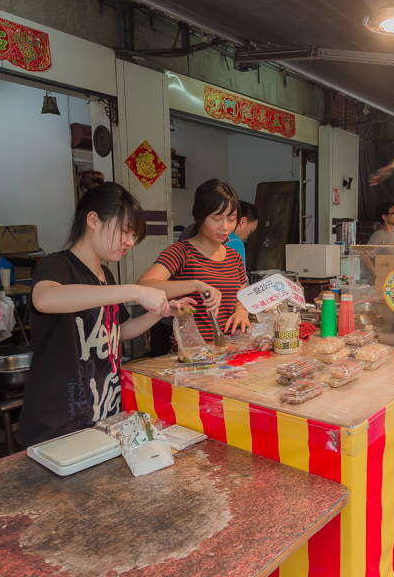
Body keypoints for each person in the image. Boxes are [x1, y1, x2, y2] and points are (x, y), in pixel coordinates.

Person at [17, 182, 191, 447]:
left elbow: (117, 332)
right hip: (58, 419)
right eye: (125, 232)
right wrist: (134, 291)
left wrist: (160, 312)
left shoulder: (105, 275)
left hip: (100, 411)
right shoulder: (59, 265)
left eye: (133, 235)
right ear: (93, 220)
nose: (130, 242)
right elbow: (44, 299)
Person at [139, 178, 251, 348]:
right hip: (191, 358)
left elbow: (242, 292)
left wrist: (241, 310)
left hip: (227, 356)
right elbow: (143, 287)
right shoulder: (181, 252)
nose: (225, 227)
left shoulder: (233, 257)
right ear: (200, 216)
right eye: (216, 218)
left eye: (231, 219)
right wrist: (195, 285)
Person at [178, 200, 259, 270]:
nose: (224, 228)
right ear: (242, 221)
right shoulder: (234, 241)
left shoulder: (189, 229)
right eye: (250, 231)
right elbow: (240, 285)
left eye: (230, 220)